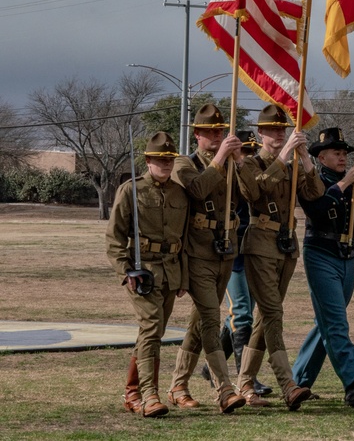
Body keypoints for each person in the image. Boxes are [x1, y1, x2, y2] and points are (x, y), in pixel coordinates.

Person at [234, 105, 324, 410]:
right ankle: (288, 384)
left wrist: (307, 158)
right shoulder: (249, 164)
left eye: (282, 130)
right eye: (272, 130)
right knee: (273, 314)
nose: (278, 134)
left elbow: (315, 194)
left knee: (265, 317)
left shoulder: (293, 165)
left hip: (286, 245)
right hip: (259, 243)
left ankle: (245, 382)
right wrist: (285, 153)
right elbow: (256, 192)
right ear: (260, 134)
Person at [290, 127, 354, 406]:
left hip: (347, 255)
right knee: (336, 323)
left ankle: (298, 381)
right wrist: (344, 184)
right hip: (320, 253)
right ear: (321, 157)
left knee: (326, 323)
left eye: (345, 152)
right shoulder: (314, 179)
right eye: (337, 152)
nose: (343, 156)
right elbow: (319, 209)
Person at [165, 104, 246, 414]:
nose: (217, 135)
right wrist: (221, 157)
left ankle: (177, 385)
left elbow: (252, 193)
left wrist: (240, 162)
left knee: (201, 321)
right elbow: (197, 190)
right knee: (212, 319)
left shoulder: (231, 164)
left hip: (226, 251)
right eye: (210, 132)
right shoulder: (184, 162)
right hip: (197, 253)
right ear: (196, 134)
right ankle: (225, 389)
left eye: (220, 131)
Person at [106, 131, 186, 418]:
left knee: (153, 333)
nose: (166, 165)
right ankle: (150, 396)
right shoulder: (131, 190)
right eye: (160, 160)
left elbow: (184, 239)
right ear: (148, 160)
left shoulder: (179, 192)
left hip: (171, 273)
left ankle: (132, 392)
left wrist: (183, 279)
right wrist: (126, 271)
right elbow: (114, 237)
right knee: (152, 328)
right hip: (143, 274)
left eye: (170, 160)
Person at [198, 130, 274, 398]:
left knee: (243, 313)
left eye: (251, 152)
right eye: (243, 151)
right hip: (230, 250)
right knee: (241, 312)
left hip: (253, 248)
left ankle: (210, 366)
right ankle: (246, 380)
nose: (248, 157)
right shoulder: (222, 177)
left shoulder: (250, 177)